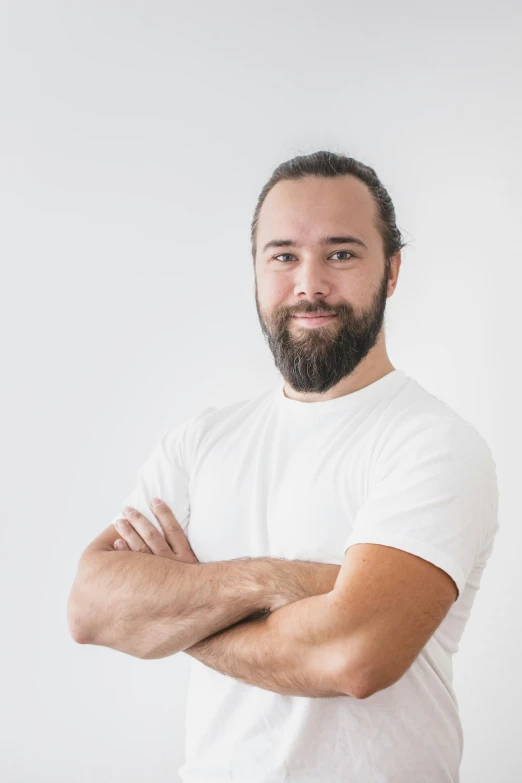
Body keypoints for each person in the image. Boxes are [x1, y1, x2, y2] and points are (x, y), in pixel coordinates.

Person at [68, 151, 499, 783]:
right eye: (284, 256)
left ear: (393, 270)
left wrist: (178, 616)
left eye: (342, 254)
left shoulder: (431, 444)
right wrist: (280, 582)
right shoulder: (201, 441)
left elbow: (355, 658)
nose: (310, 284)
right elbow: (91, 609)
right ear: (256, 270)